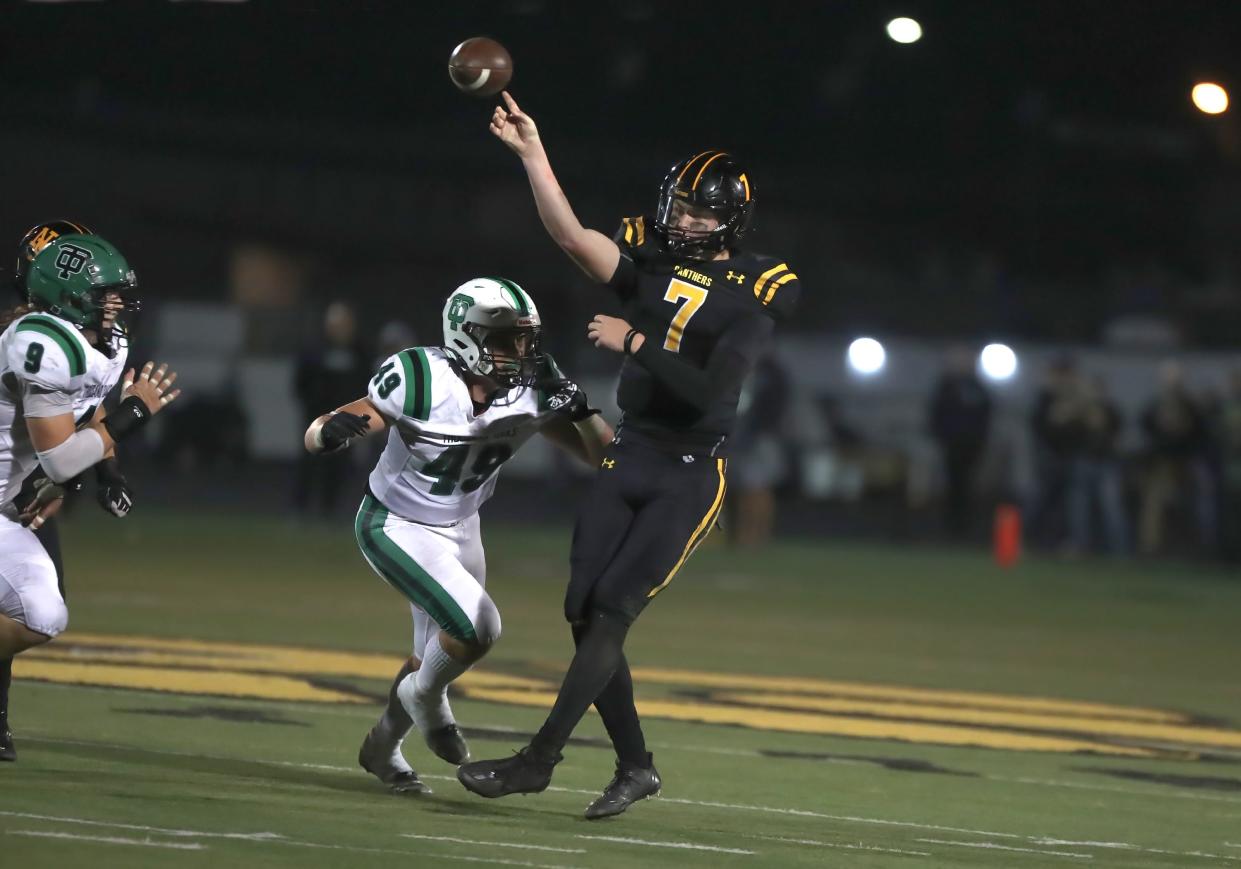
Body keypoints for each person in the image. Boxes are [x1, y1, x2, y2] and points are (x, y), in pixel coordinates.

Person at [457, 93, 801, 818]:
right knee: (582, 610)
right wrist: (532, 153)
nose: (680, 219)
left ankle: (538, 759)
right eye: (677, 205)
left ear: (730, 220)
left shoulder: (756, 291)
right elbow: (572, 237)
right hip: (629, 452)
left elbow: (713, 387)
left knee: (612, 612)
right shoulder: (649, 259)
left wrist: (636, 341)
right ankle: (635, 765)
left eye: (697, 212)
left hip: (687, 469)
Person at [302, 278, 612, 795]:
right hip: (396, 524)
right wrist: (327, 431)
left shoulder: (531, 385)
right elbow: (337, 423)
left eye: (525, 338)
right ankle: (425, 699)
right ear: (466, 336)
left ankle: (383, 745)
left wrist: (583, 412)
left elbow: (604, 460)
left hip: (464, 527)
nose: (521, 351)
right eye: (507, 338)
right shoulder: (420, 376)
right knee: (477, 627)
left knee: (436, 653)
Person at [0, 233, 178, 760]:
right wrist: (137, 412)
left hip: (11, 507)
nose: (118, 305)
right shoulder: (38, 341)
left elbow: (86, 417)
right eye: (107, 295)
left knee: (42, 614)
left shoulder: (100, 342)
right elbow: (59, 458)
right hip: (15, 499)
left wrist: (108, 473)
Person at [293, 302, 372, 518]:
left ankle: (329, 509)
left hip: (345, 420)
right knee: (309, 462)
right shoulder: (315, 351)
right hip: (316, 418)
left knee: (338, 466)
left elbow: (366, 384)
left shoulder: (359, 352)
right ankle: (299, 509)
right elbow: (301, 382)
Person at [926, 346, 992, 539]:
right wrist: (941, 437)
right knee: (951, 485)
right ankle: (950, 527)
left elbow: (986, 415)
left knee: (970, 486)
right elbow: (936, 415)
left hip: (972, 446)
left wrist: (980, 440)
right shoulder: (946, 386)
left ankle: (967, 527)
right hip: (951, 446)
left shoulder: (978, 387)